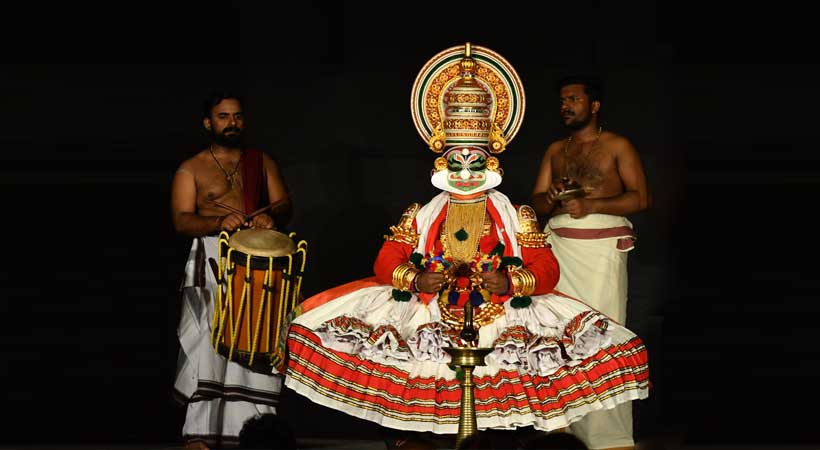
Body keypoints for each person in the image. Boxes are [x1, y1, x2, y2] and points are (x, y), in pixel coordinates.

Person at [284, 44, 648, 450]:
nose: (465, 172)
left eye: (475, 162)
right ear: (442, 164)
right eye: (456, 162)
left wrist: (509, 282)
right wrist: (417, 276)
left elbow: (547, 270)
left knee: (505, 403)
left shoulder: (517, 216)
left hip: (497, 311)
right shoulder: (421, 213)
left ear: (490, 163)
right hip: (431, 311)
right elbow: (386, 260)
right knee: (418, 394)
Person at [531, 75, 652, 449]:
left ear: (594, 105)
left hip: (600, 252)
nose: (565, 105)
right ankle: (557, 429)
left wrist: (591, 206)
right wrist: (550, 198)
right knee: (556, 339)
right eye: (562, 100)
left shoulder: (618, 145)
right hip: (559, 250)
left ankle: (606, 438)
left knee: (600, 338)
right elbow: (535, 203)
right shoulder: (555, 150)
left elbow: (640, 199)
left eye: (573, 99)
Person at [170, 90, 292, 450]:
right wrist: (219, 220)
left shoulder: (261, 162)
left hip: (258, 267)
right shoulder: (191, 168)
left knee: (256, 346)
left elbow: (284, 206)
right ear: (208, 122)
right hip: (212, 262)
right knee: (209, 348)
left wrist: (271, 216)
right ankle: (201, 437)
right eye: (223, 117)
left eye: (237, 116)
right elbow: (181, 220)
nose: (232, 123)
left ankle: (257, 436)